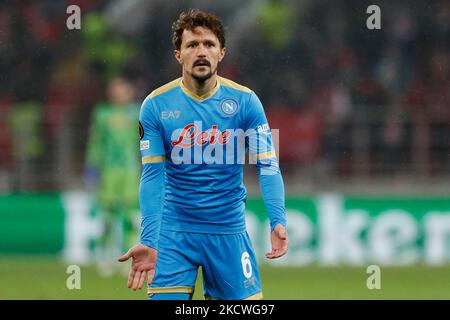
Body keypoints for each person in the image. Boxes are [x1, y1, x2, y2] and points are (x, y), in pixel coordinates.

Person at [118, 9, 288, 300]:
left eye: (208, 44)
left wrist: (278, 220)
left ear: (221, 53)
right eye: (192, 45)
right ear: (178, 55)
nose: (201, 51)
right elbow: (153, 176)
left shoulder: (246, 102)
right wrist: (149, 239)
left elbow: (268, 165)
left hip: (228, 232)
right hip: (174, 234)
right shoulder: (156, 106)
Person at [86, 76, 141, 274]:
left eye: (123, 90)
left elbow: (142, 143)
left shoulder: (136, 113)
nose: (119, 94)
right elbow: (96, 141)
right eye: (116, 90)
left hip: (129, 171)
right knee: (108, 217)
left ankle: (129, 260)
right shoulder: (102, 114)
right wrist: (92, 167)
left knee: (128, 217)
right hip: (109, 171)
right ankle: (104, 256)